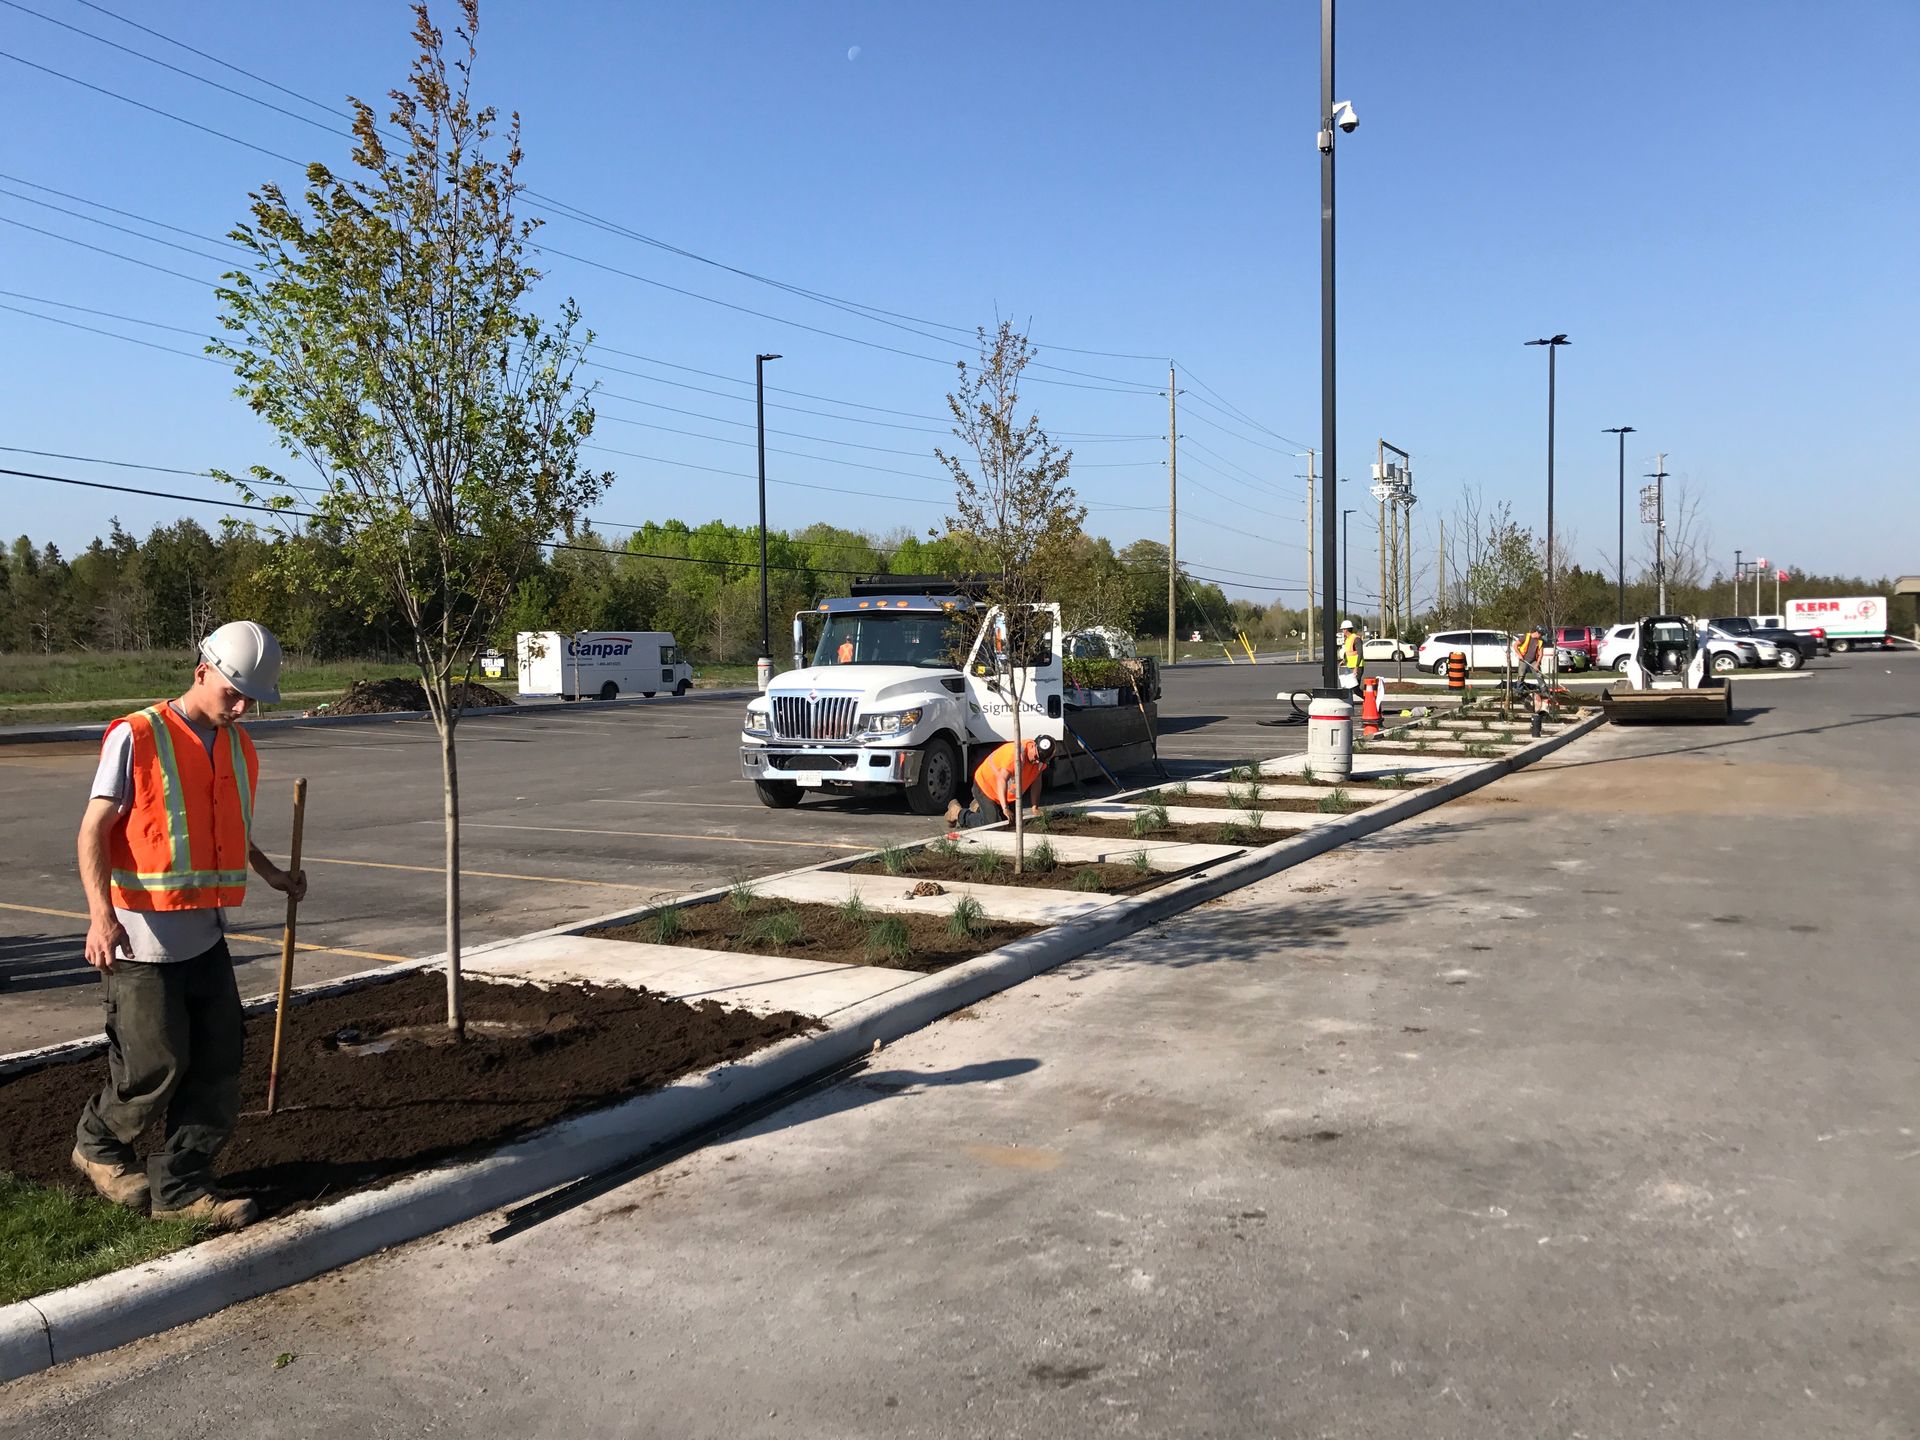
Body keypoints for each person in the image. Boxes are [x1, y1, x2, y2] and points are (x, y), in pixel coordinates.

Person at [71, 621, 307, 1231]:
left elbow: (228, 827)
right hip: (140, 937)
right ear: (202, 671)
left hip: (204, 933)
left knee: (219, 1063)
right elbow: (93, 831)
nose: (243, 706)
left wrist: (272, 873)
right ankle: (98, 1145)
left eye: (251, 697)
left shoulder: (235, 744)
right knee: (155, 1063)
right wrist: (100, 918)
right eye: (234, 693)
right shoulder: (138, 735)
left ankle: (182, 1188)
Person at [945, 734, 1057, 829]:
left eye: (1040, 760)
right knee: (993, 825)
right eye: (1036, 757)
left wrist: (1035, 807)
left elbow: (1036, 780)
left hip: (1005, 794)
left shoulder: (1040, 761)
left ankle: (980, 808)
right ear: (1033, 745)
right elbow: (1002, 779)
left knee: (1013, 824)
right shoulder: (1016, 756)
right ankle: (957, 813)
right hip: (985, 785)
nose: (1036, 761)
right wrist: (1005, 808)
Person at [1339, 619, 1365, 689]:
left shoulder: (1356, 639)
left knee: (1355, 689)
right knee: (1348, 687)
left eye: (1343, 629)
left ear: (1346, 630)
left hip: (1357, 667)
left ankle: (1369, 699)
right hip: (1349, 667)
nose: (1342, 631)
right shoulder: (1347, 639)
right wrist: (1344, 660)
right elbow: (1348, 652)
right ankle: (1351, 700)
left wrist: (1356, 668)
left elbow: (1360, 653)